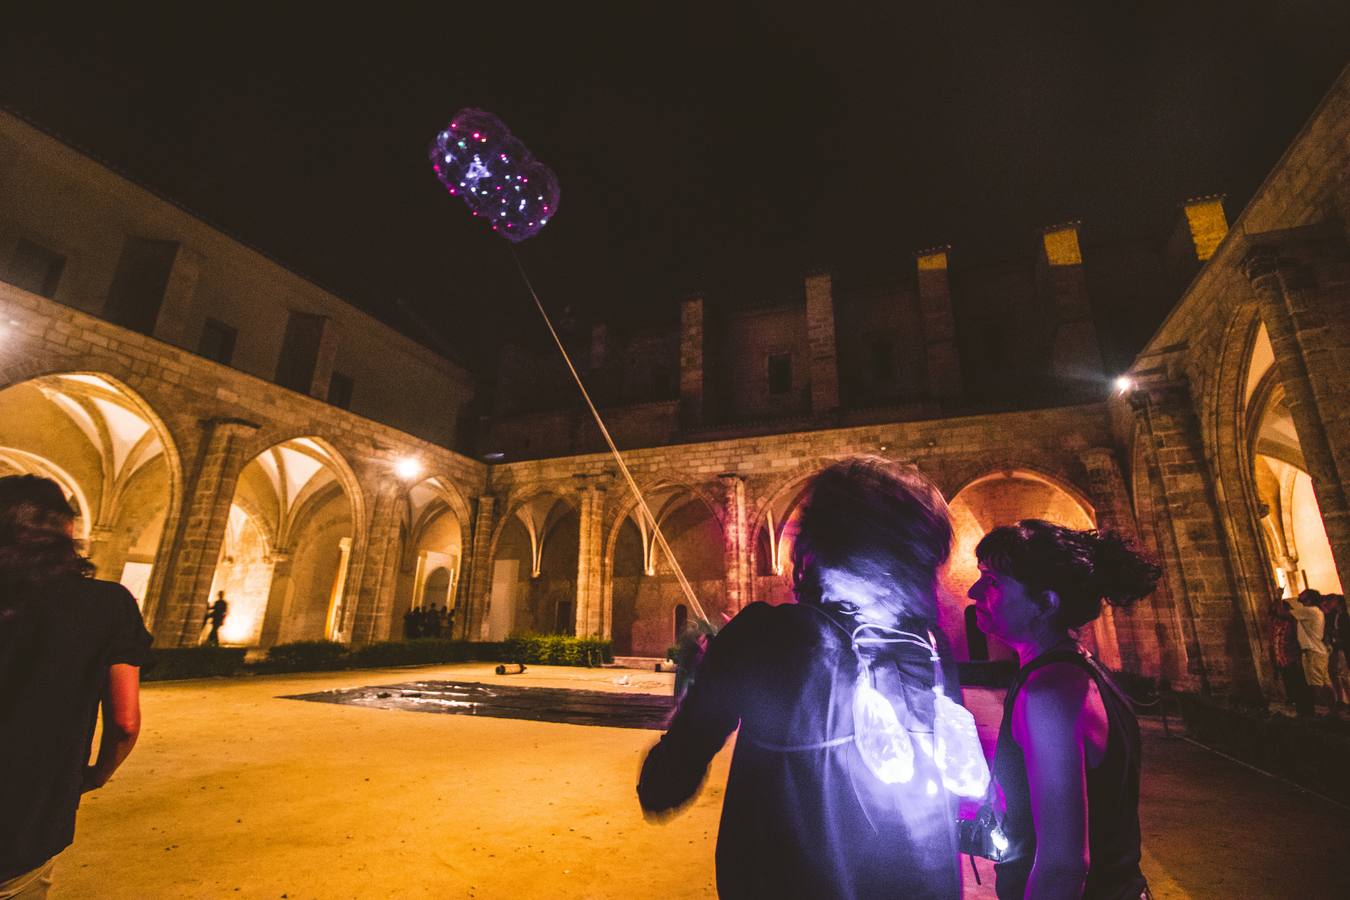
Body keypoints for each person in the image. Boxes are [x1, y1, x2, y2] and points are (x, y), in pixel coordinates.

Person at [638, 457, 962, 899]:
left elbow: (662, 786)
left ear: (817, 544)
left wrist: (702, 684)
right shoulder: (930, 646)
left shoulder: (766, 638)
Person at [968, 519, 1159, 900]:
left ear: (1045, 602)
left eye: (992, 582)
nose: (974, 591)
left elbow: (1064, 865)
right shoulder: (1070, 670)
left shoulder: (1051, 691)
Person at [0, 475, 152, 898]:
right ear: (65, 529)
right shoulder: (105, 604)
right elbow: (125, 722)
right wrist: (95, 776)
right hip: (23, 820)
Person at [1287, 589, 1331, 713]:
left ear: (1309, 599)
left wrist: (1278, 595)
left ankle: (1330, 711)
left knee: (1317, 685)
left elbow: (1284, 614)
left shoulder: (1309, 610)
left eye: (1303, 594)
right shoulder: (1312, 611)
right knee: (1325, 683)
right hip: (1316, 650)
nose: (1299, 594)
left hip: (1313, 651)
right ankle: (1333, 711)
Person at [1321, 593, 1349, 715]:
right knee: (1339, 675)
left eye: (1329, 602)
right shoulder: (1334, 615)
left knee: (1344, 675)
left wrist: (1338, 635)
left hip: (1343, 647)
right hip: (1338, 647)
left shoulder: (1344, 615)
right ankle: (1343, 700)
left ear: (1336, 601)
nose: (1328, 605)